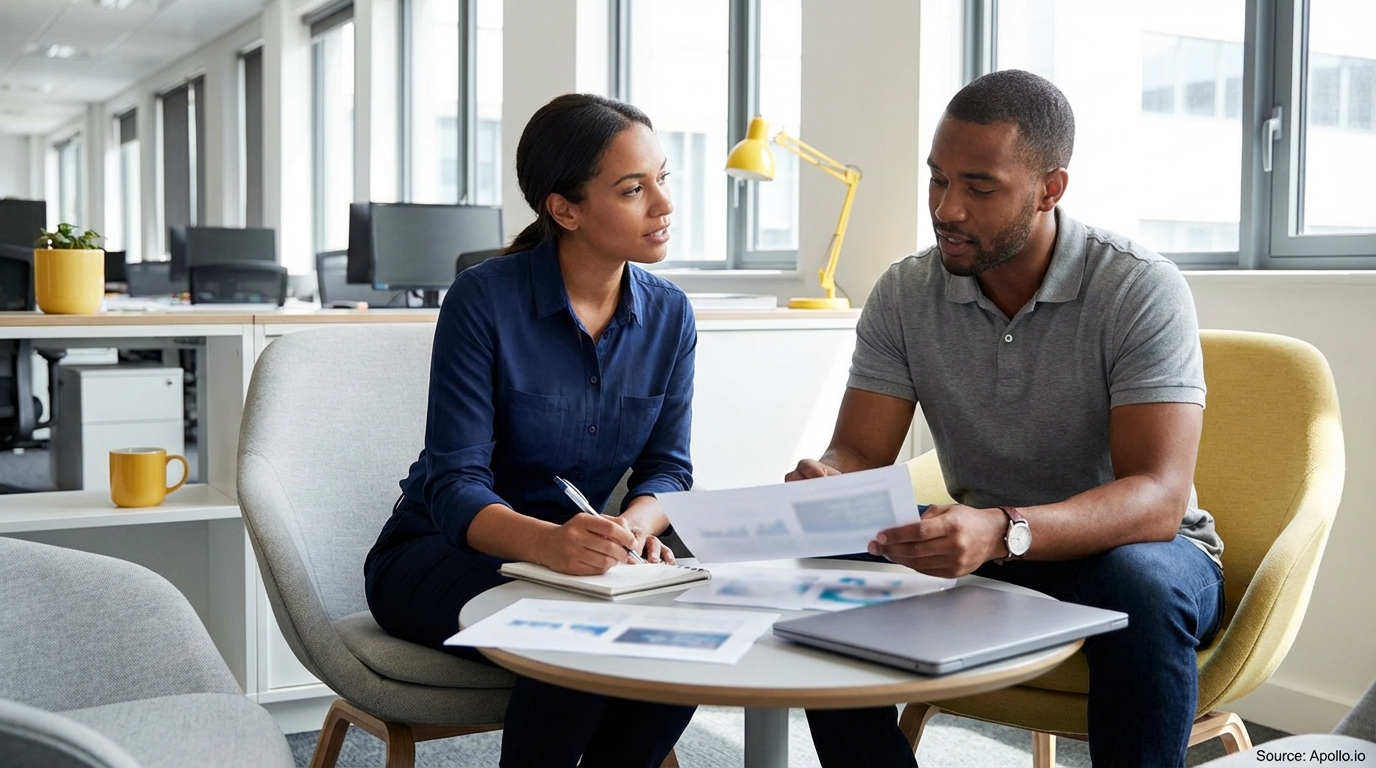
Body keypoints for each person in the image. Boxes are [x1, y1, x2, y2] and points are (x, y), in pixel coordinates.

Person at [792, 69, 1225, 768]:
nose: (947, 209)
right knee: (825, 550)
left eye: (979, 186)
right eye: (937, 180)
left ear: (1050, 188)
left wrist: (1002, 529)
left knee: (1140, 585)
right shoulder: (905, 293)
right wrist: (828, 481)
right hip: (988, 545)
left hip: (1133, 549)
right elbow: (858, 451)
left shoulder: (1139, 287)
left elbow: (1158, 499)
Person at [364, 93, 697, 768]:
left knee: (685, 625)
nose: (663, 205)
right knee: (571, 631)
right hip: (440, 555)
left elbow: (669, 470)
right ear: (564, 208)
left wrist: (634, 527)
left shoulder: (671, 315)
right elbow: (454, 486)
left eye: (663, 179)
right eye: (634, 189)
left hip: (581, 558)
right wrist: (553, 547)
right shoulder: (484, 300)